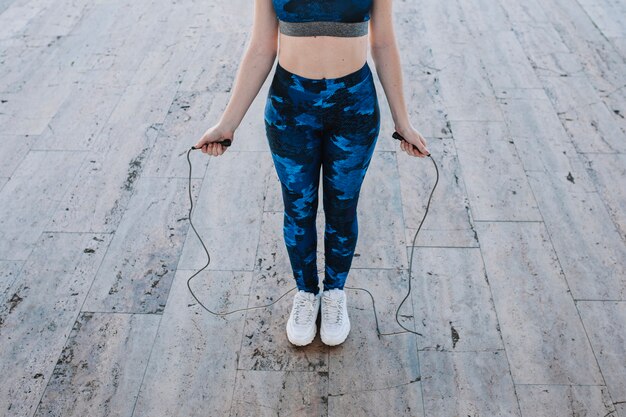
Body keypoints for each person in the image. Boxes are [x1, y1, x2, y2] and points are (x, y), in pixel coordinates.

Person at [194, 0, 430, 347]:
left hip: (354, 107)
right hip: (290, 106)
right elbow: (261, 46)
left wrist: (403, 122)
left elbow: (383, 44)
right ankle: (306, 294)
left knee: (342, 207)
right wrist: (227, 124)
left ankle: (334, 293)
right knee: (298, 208)